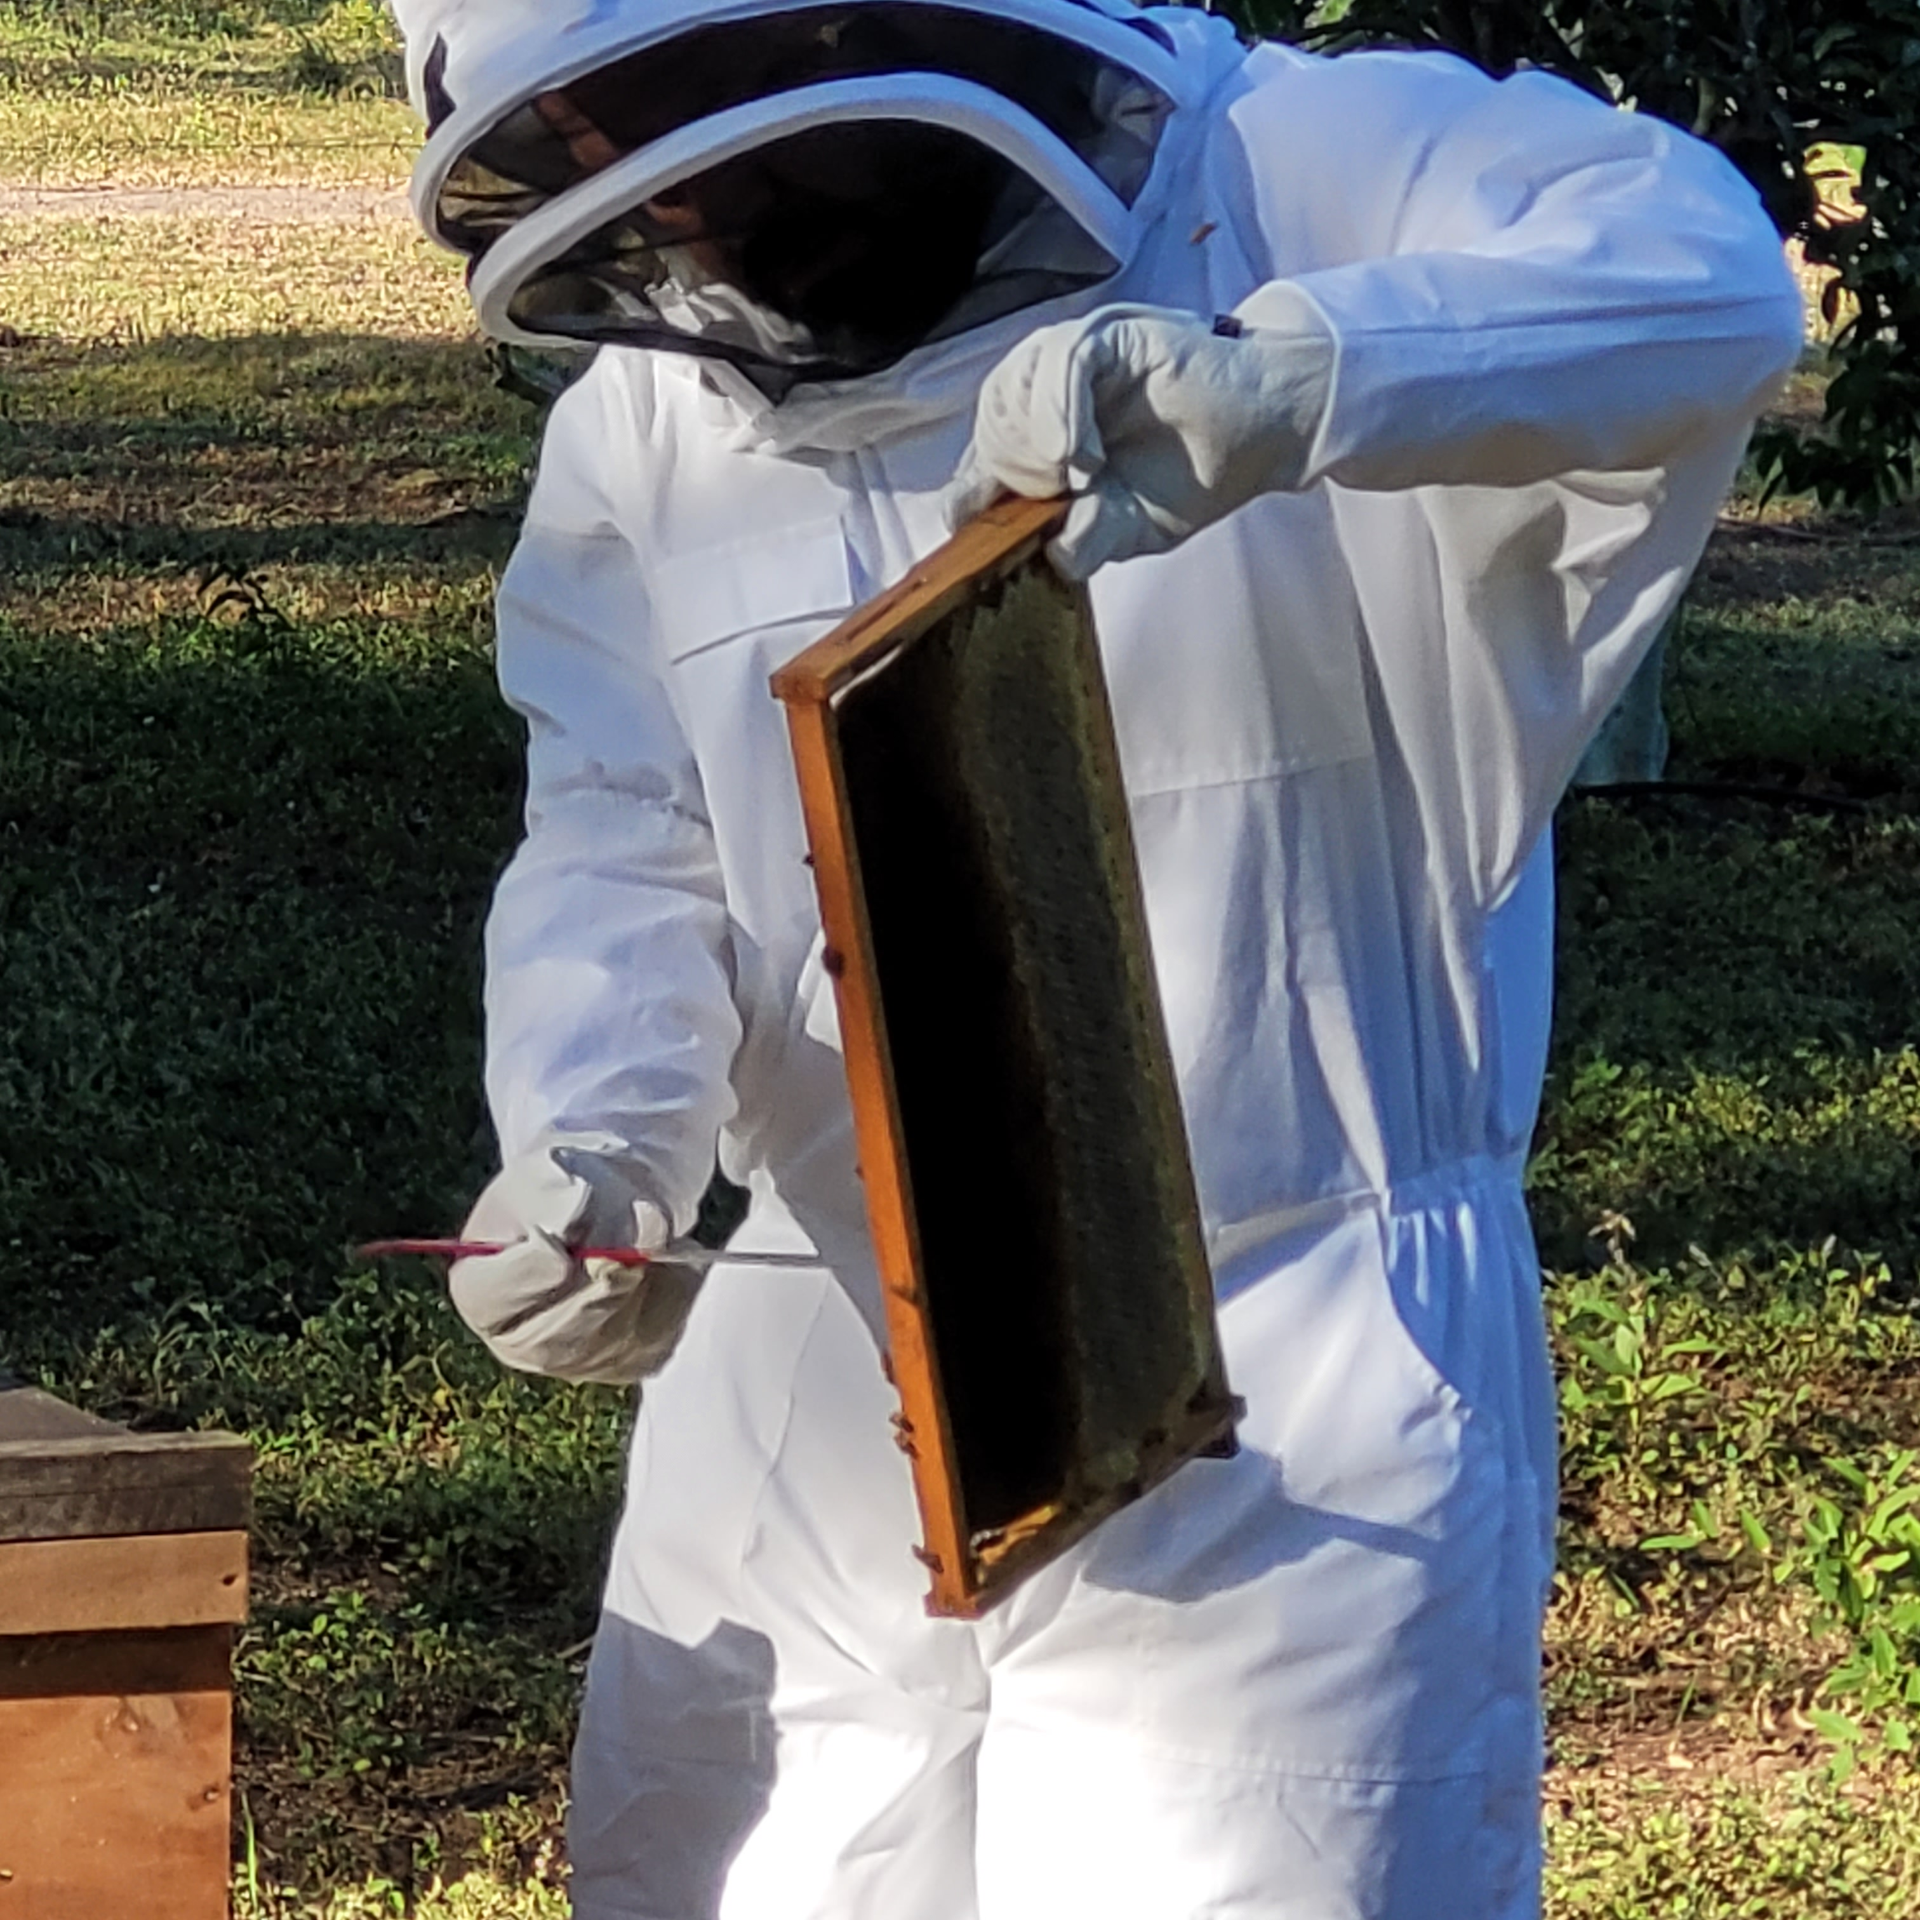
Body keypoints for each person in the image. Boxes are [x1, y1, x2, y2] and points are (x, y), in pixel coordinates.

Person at [389, 2, 1803, 1914]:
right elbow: (628, 822)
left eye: (671, 119)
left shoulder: (1297, 168)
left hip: (1279, 1356)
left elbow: (1703, 279)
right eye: (586, 152)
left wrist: (1299, 375)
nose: (694, 224)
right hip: (817, 1345)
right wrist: (596, 1134)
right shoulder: (650, 418)